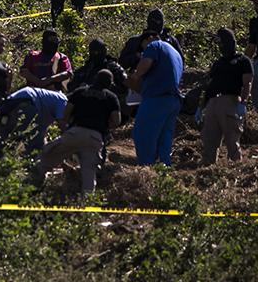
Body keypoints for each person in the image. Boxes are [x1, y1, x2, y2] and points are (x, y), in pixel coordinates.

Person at [36, 70, 121, 193]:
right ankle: (87, 204)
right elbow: (116, 121)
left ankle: (34, 186)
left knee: (46, 156)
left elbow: (66, 113)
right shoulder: (112, 97)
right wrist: (105, 126)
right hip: (95, 138)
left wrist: (65, 128)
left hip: (75, 132)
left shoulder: (81, 92)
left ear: (95, 79)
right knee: (89, 174)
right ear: (110, 84)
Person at [127, 30, 184, 166]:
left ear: (149, 38)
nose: (143, 50)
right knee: (164, 137)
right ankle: (163, 168)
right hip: (173, 100)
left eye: (142, 46)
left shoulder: (154, 45)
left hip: (156, 98)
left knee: (143, 133)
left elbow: (146, 63)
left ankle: (146, 168)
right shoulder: (175, 53)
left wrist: (135, 75)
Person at [200, 29, 253, 165]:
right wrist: (201, 107)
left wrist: (243, 103)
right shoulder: (218, 63)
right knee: (209, 140)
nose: (220, 46)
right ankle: (208, 168)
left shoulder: (242, 60)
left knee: (232, 139)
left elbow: (247, 83)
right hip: (212, 103)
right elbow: (209, 86)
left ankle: (236, 168)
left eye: (222, 43)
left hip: (230, 101)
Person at [119, 10, 181, 119]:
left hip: (164, 83)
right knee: (138, 113)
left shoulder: (170, 40)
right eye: (154, 21)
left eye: (159, 21)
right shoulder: (136, 41)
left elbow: (180, 61)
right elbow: (122, 62)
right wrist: (137, 57)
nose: (157, 23)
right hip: (141, 82)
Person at [0, 86, 69, 163]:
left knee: (5, 140)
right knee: (34, 145)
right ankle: (31, 169)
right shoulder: (63, 100)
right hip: (28, 103)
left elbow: (43, 131)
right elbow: (62, 125)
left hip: (11, 103)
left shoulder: (51, 99)